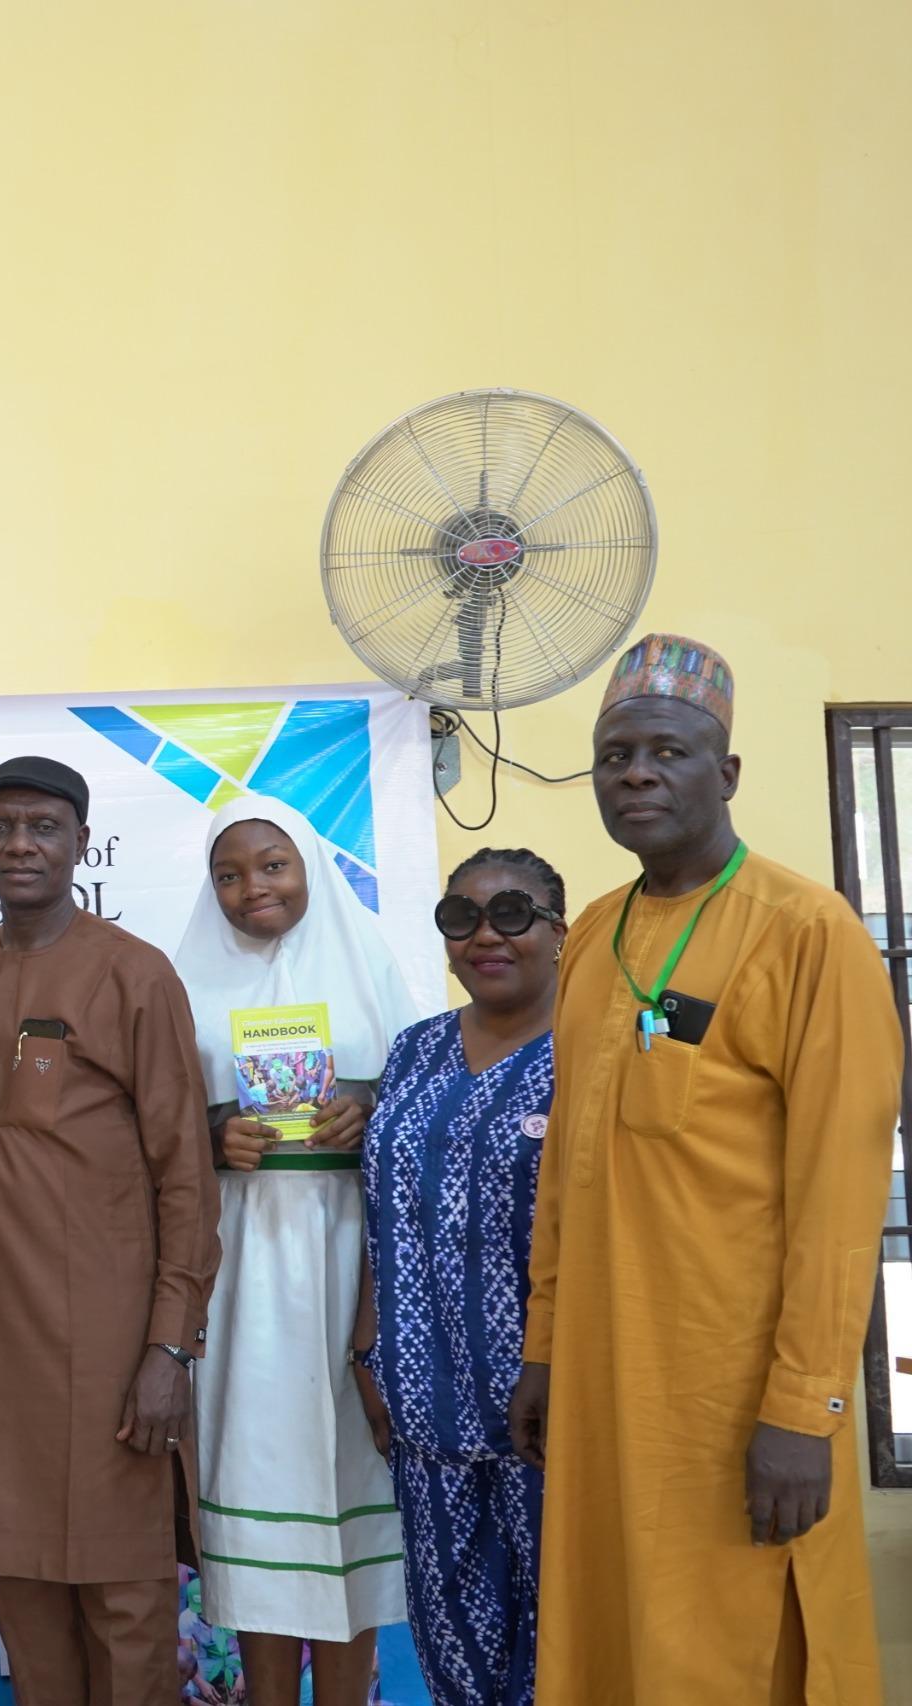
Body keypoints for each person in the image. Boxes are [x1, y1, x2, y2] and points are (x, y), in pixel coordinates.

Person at [508, 634, 903, 1705]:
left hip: (733, 1403)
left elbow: (840, 1198)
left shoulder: (806, 933)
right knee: (614, 1645)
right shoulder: (593, 937)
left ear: (725, 773)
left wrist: (804, 1408)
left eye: (666, 753)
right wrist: (545, 1347)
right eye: (615, 755)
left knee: (733, 1655)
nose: (636, 774)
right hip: (606, 1388)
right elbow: (565, 1178)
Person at [0, 756, 220, 1706]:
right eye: (0, 828)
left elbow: (186, 1174)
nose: (19, 845)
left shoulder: (133, 973)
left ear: (81, 844)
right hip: (0, 1353)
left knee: (126, 1599)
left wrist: (170, 1347)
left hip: (111, 1344)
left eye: (43, 828)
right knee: (24, 1599)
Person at [173, 793, 418, 1705]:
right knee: (260, 1495)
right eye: (228, 875)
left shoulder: (370, 966)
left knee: (351, 1497)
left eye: (272, 866)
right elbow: (146, 1127)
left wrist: (370, 1112)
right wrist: (210, 1137)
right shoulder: (182, 984)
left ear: (309, 866)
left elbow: (429, 1101)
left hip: (354, 1267)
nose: (252, 889)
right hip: (241, 1271)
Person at [362, 849, 566, 1706]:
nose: (486, 936)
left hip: (553, 1409)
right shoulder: (415, 1051)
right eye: (461, 919)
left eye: (512, 914)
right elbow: (377, 1212)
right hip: (425, 1410)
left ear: (559, 930)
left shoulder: (596, 1052)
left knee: (567, 1644)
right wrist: (367, 1354)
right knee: (456, 1653)